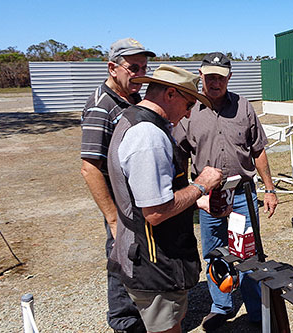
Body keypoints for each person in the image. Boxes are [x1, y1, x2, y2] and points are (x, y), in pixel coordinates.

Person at [107, 64, 223, 333]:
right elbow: (156, 212)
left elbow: (149, 193)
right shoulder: (148, 135)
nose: (189, 111)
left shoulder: (133, 119)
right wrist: (201, 186)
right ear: (170, 94)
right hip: (155, 264)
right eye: (189, 102)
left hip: (144, 258)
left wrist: (195, 200)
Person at [173, 52, 279, 331]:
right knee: (213, 253)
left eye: (220, 76)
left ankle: (256, 310)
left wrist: (269, 189)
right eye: (209, 76)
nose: (215, 82)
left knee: (247, 254)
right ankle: (220, 306)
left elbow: (258, 150)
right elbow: (181, 156)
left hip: (242, 195)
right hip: (208, 197)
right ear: (200, 75)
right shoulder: (189, 110)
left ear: (229, 76)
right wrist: (190, 195)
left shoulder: (244, 107)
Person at [80, 37, 155, 333]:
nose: (139, 74)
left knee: (139, 260)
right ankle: (124, 323)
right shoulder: (102, 106)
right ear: (112, 68)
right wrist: (113, 219)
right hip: (120, 209)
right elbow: (89, 168)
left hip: (138, 202)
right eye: (133, 67)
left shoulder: (132, 99)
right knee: (121, 262)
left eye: (144, 68)